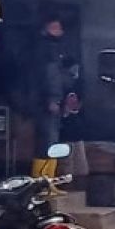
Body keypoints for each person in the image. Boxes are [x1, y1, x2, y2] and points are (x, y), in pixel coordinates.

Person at [31, 14, 80, 160]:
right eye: (55, 27)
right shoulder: (43, 49)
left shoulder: (58, 49)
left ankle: (47, 177)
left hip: (56, 103)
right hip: (46, 104)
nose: (60, 31)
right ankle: (43, 179)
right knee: (48, 145)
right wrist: (51, 99)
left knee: (52, 142)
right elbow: (48, 77)